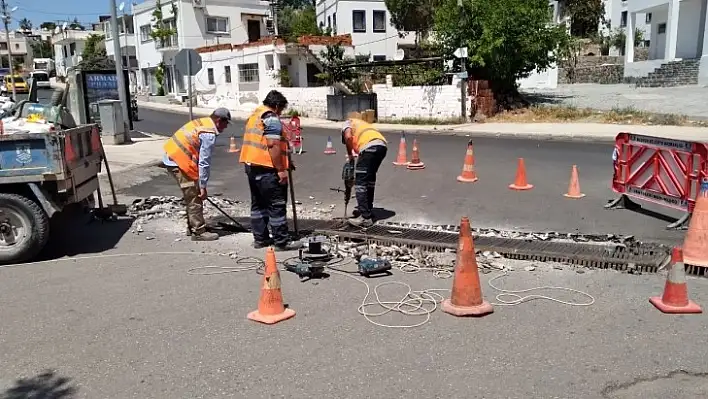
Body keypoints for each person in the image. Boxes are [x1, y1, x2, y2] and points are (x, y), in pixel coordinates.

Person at [239, 90, 300, 251]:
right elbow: (273, 145)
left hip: (252, 166)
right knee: (277, 204)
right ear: (277, 105)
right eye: (281, 110)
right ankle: (282, 241)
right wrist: (281, 169)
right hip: (268, 168)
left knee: (258, 204)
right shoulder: (271, 118)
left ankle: (260, 239)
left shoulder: (255, 116)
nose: (280, 113)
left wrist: (288, 161)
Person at [162, 108, 231, 241]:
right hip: (179, 161)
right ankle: (198, 231)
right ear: (218, 121)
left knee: (191, 194)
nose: (226, 126)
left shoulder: (203, 122)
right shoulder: (208, 133)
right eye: (225, 123)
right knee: (194, 196)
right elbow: (204, 162)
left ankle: (192, 226)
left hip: (173, 156)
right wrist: (203, 186)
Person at [341, 112, 388, 228]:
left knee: (360, 183)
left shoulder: (347, 123)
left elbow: (347, 137)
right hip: (381, 146)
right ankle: (368, 210)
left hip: (369, 148)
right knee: (369, 180)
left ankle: (365, 218)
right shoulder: (362, 124)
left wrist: (350, 155)